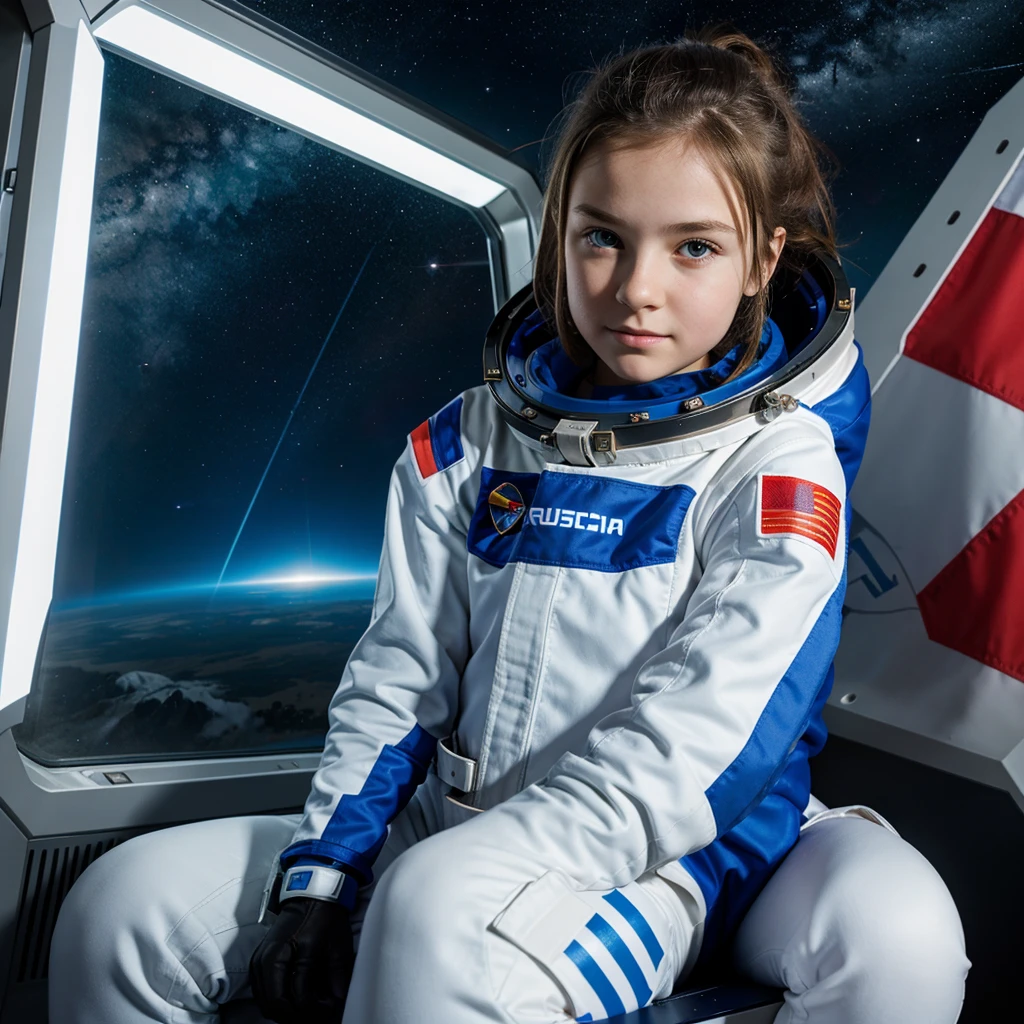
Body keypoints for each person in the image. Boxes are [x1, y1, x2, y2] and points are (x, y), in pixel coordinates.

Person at [49, 25, 969, 1024]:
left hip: (648, 863)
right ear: (557, 237)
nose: (635, 289)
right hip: (444, 828)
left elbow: (702, 742)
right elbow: (397, 681)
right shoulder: (465, 444)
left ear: (762, 262)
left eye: (693, 246)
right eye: (601, 237)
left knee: (436, 910)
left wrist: (463, 864)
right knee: (119, 912)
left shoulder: (774, 468)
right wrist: (321, 882)